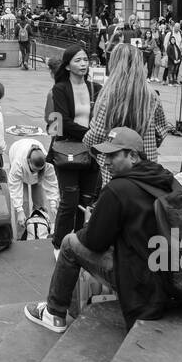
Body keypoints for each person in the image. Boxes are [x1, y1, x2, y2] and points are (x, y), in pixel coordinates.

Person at [24, 126, 178, 334]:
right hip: (171, 277)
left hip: (141, 283)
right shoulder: (165, 178)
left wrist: (92, 222)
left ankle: (54, 313)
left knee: (70, 243)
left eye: (113, 156)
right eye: (105, 155)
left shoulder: (117, 189)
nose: (106, 162)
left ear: (132, 156)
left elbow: (94, 242)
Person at [45, 45, 102, 247]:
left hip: (92, 154)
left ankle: (79, 243)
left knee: (87, 202)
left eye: (85, 60)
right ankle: (59, 243)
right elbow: (62, 123)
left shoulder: (96, 88)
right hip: (67, 152)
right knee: (69, 202)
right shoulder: (59, 89)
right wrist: (92, 134)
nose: (83, 64)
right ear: (67, 66)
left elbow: (102, 119)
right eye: (78, 60)